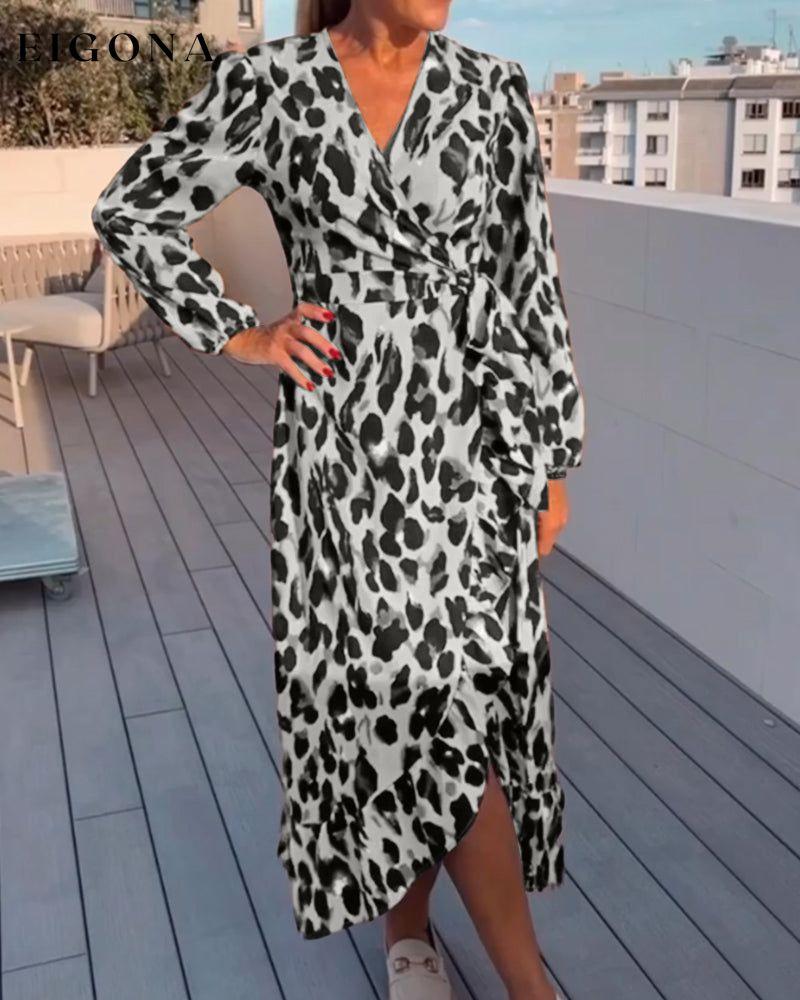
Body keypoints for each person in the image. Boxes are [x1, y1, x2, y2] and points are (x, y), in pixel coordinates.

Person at [91, 1, 585, 997]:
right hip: (347, 455)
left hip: (473, 447)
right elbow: (132, 207)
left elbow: (526, 280)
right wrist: (242, 331)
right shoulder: (273, 84)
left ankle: (448, 949)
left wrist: (549, 456)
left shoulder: (491, 91)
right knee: (393, 703)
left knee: (455, 704)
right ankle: (455, 952)